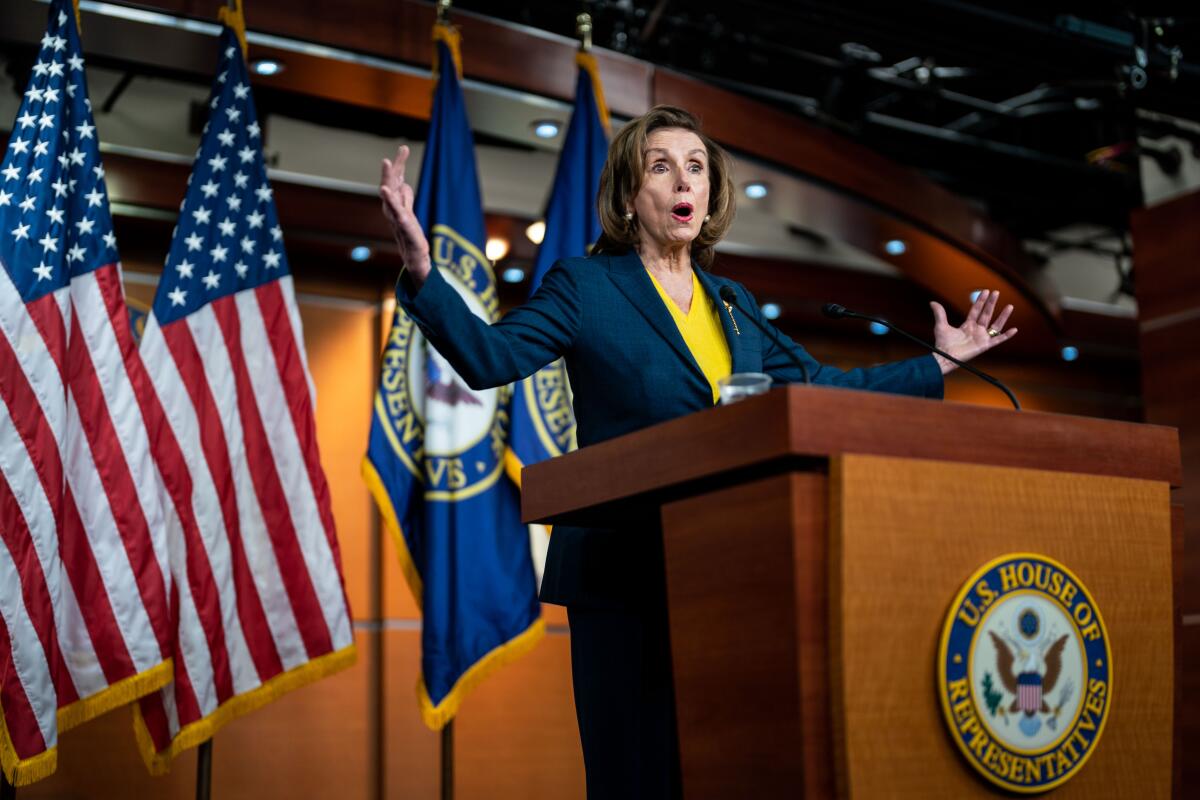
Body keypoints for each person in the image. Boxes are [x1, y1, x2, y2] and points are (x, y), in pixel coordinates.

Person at [379, 105, 1015, 798]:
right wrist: (421, 271)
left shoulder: (734, 303)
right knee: (636, 775)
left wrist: (939, 364)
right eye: (661, 167)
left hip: (722, 567)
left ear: (710, 193)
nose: (683, 180)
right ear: (630, 197)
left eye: (696, 167)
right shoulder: (586, 286)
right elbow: (489, 356)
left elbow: (825, 388)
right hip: (623, 572)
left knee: (717, 768)